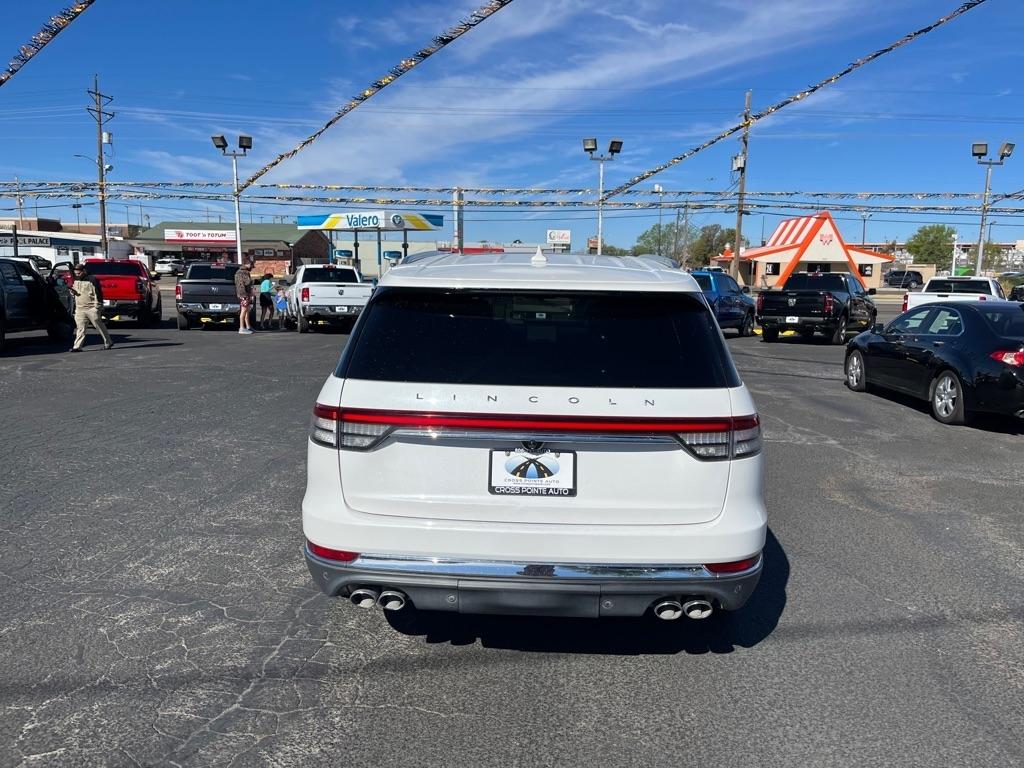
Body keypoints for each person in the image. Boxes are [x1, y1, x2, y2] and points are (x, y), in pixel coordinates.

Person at [68, 263, 113, 352]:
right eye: (76, 273)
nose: (77, 275)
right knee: (80, 328)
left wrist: (97, 307)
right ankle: (77, 347)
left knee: (99, 326)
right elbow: (75, 292)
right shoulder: (76, 280)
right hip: (80, 308)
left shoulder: (92, 280)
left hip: (91, 307)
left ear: (84, 271)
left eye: (79, 273)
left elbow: (98, 294)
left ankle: (108, 342)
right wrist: (72, 292)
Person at [234, 261, 254, 335]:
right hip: (244, 294)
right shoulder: (244, 272)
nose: (251, 267)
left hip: (240, 293)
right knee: (244, 310)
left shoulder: (238, 272)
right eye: (251, 265)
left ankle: (248, 326)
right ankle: (242, 328)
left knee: (246, 310)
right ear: (247, 265)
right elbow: (247, 282)